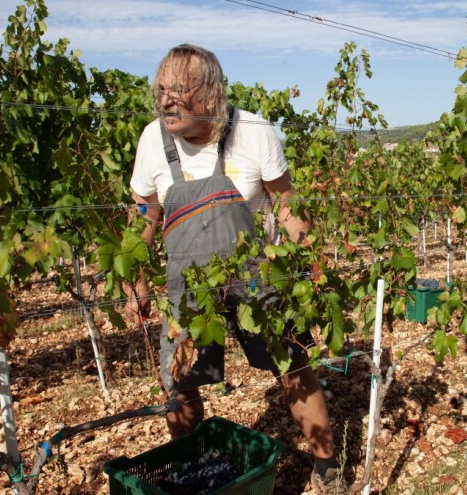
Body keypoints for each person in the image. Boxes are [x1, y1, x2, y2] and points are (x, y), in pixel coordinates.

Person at [124, 44, 348, 494]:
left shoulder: (253, 131)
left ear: (209, 94)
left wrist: (309, 264)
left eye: (178, 90)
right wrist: (136, 281)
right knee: (180, 380)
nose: (165, 100)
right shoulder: (153, 139)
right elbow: (140, 221)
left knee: (292, 363)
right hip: (189, 286)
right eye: (160, 90)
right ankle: (187, 464)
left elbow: (287, 206)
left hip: (255, 275)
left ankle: (327, 465)